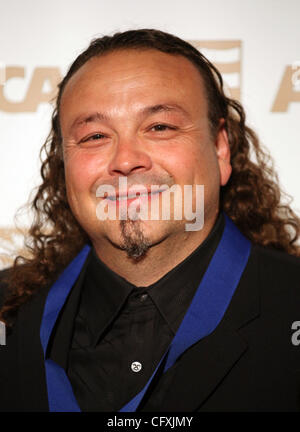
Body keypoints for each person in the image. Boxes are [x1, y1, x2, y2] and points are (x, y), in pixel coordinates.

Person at [0, 29, 300, 413]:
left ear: (221, 147)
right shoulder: (10, 317)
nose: (125, 160)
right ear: (64, 164)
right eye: (94, 136)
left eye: (160, 127)